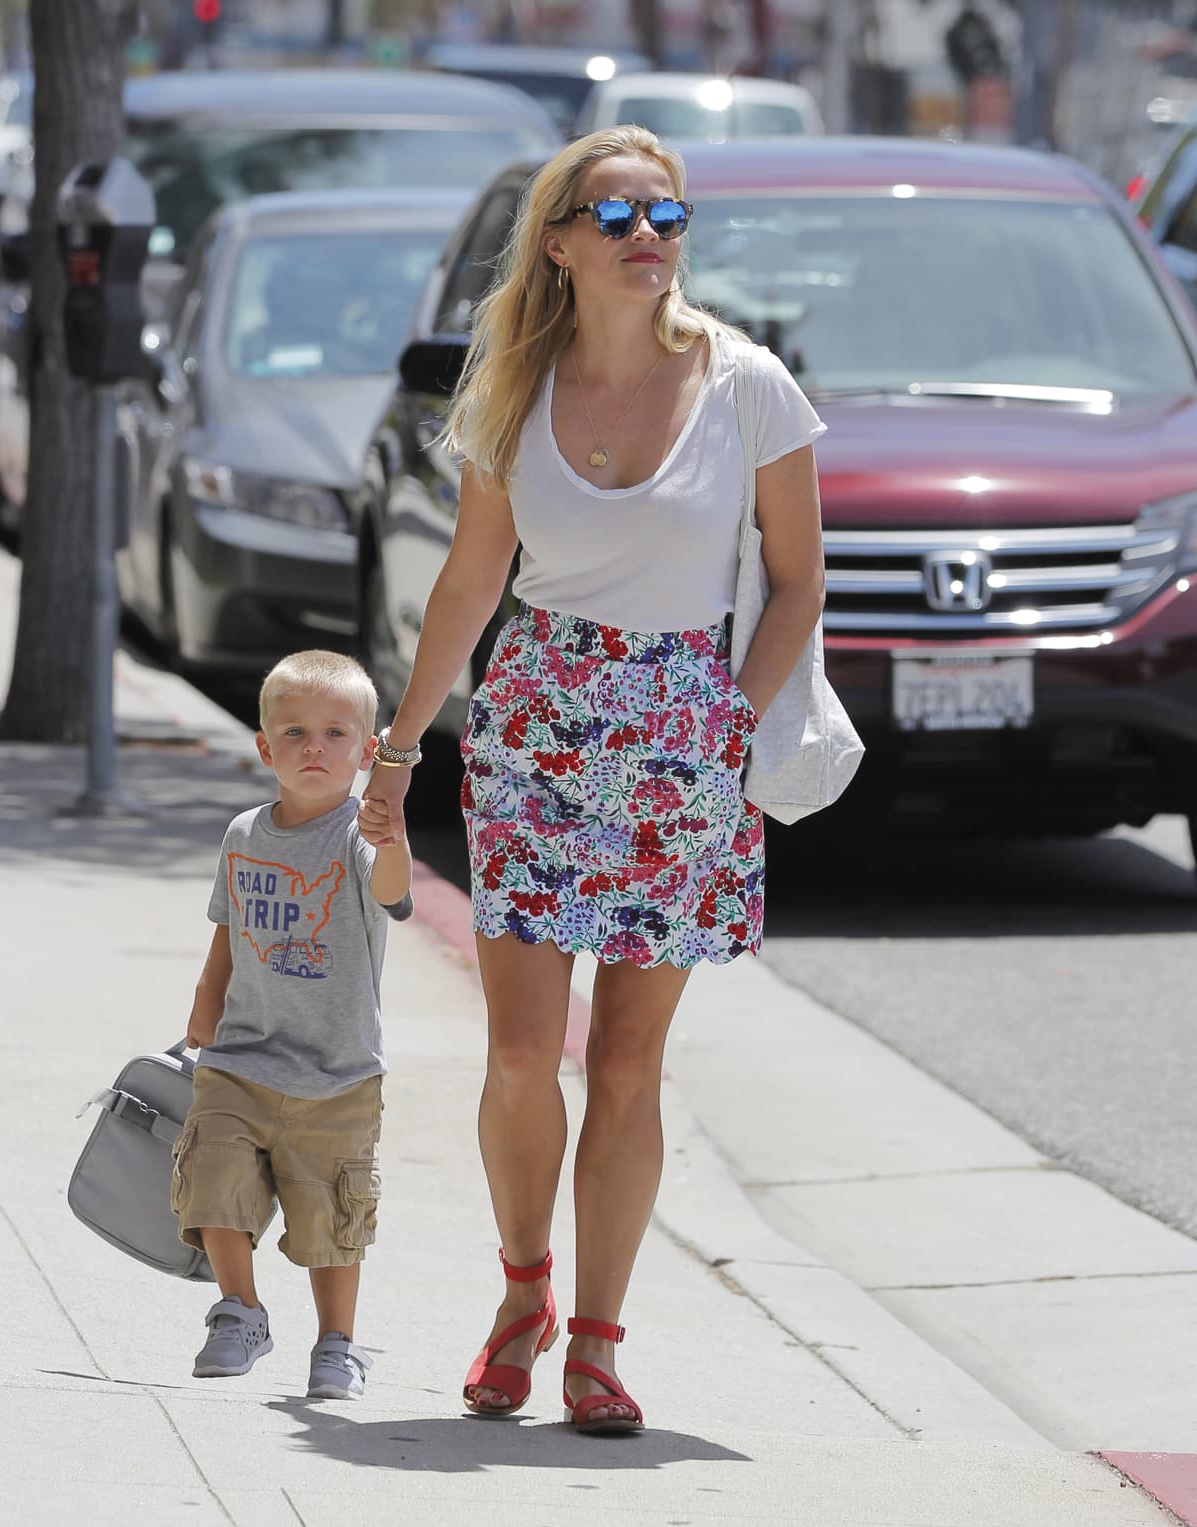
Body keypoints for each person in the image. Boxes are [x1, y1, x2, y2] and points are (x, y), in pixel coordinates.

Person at [362, 125, 826, 1434]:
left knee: (626, 1063)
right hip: (537, 733)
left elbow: (798, 578)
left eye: (667, 216)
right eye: (618, 217)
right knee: (521, 1056)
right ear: (559, 241)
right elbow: (468, 578)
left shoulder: (748, 388)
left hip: (686, 739)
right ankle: (522, 1292)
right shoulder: (513, 386)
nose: (648, 238)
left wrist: (727, 728)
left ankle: (600, 1342)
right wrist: (397, 750)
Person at [174, 649, 413, 1401]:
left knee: (332, 1220)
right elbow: (228, 927)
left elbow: (391, 890)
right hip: (241, 1057)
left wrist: (394, 837)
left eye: (337, 733)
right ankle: (239, 1309)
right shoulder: (244, 832)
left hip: (337, 1073)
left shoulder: (358, 836)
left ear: (368, 751)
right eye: (296, 731)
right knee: (213, 1176)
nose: (316, 747)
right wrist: (205, 1002)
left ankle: (337, 1344)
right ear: (264, 746)